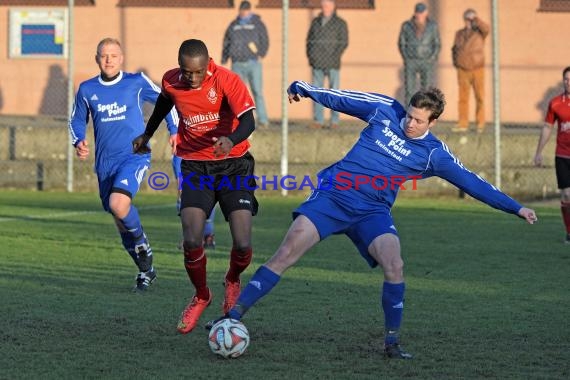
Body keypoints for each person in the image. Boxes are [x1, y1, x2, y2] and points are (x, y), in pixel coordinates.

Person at [210, 81, 538, 359]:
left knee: (394, 264)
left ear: (432, 122)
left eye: (418, 121)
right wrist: (306, 90)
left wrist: (515, 207)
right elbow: (344, 99)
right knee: (286, 253)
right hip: (332, 197)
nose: (409, 123)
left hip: (372, 212)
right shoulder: (385, 110)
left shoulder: (434, 155)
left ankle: (392, 341)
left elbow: (473, 183)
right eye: (409, 115)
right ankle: (232, 317)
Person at [132, 39, 259, 334]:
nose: (192, 78)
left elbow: (249, 121)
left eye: (198, 73)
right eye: (186, 72)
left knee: (242, 242)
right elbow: (164, 103)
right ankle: (201, 295)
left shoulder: (227, 80)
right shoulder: (171, 81)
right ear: (179, 67)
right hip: (195, 165)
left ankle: (232, 278)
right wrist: (147, 134)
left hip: (234, 164)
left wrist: (230, 139)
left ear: (208, 64)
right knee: (192, 238)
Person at [68, 38, 179, 292]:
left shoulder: (136, 82)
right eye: (104, 55)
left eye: (113, 55)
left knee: (119, 204)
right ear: (97, 58)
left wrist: (174, 130)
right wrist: (79, 140)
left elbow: (166, 101)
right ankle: (146, 271)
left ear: (122, 58)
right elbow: (76, 120)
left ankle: (143, 244)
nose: (109, 60)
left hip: (134, 155)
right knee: (119, 219)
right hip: (105, 164)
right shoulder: (87, 89)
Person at [534, 66, 570, 242]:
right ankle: (569, 232)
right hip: (562, 155)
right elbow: (548, 127)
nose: (568, 82)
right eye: (566, 79)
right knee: (566, 195)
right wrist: (539, 152)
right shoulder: (555, 103)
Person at [222, 0, 270, 129]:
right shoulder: (233, 25)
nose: (243, 13)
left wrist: (261, 53)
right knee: (238, 94)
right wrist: (224, 56)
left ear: (249, 10)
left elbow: (264, 39)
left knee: (257, 91)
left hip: (253, 63)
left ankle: (263, 120)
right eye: (241, 10)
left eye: (245, 10)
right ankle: (239, 120)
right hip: (237, 63)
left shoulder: (257, 24)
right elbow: (227, 41)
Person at [306, 0, 348, 129]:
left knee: (334, 93)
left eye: (327, 5)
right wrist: (311, 56)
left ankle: (334, 121)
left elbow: (344, 42)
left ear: (333, 6)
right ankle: (318, 120)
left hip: (332, 62)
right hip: (317, 62)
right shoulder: (316, 22)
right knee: (317, 92)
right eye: (323, 5)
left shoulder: (340, 23)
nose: (325, 8)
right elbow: (309, 41)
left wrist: (334, 55)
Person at [451, 8, 490, 133]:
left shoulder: (480, 32)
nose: (469, 21)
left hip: (477, 68)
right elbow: (454, 49)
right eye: (467, 19)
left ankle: (480, 124)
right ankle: (463, 124)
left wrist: (476, 20)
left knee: (480, 96)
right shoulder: (459, 33)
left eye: (471, 19)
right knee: (463, 98)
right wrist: (456, 63)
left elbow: (486, 28)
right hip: (462, 69)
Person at [398, 2, 441, 105]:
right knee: (409, 89)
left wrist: (432, 59)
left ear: (426, 13)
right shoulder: (406, 25)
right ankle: (408, 114)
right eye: (418, 12)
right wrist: (406, 58)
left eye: (422, 12)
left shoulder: (432, 26)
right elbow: (402, 43)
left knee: (426, 90)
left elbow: (437, 44)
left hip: (426, 61)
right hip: (411, 61)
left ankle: (425, 113)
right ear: (415, 13)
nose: (419, 15)